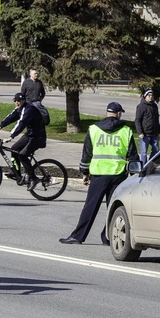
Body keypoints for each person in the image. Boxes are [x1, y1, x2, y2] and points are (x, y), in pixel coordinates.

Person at [60, 102, 138, 245]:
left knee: (90, 206)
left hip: (99, 174)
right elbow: (132, 156)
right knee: (115, 208)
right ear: (119, 113)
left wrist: (85, 172)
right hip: (118, 174)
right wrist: (134, 174)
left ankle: (78, 236)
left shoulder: (94, 129)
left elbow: (87, 154)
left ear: (107, 112)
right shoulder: (126, 130)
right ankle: (108, 237)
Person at [0, 93, 47, 191]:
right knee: (14, 149)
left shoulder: (28, 110)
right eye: (15, 100)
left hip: (38, 137)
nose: (17, 102)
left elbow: (21, 124)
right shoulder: (19, 109)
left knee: (22, 155)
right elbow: (10, 118)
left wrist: (11, 137)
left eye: (19, 101)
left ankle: (33, 178)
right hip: (30, 135)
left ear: (24, 100)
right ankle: (16, 173)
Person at [134, 88, 160, 163]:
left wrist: (158, 131)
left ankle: (150, 165)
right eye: (149, 95)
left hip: (154, 133)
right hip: (145, 134)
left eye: (152, 95)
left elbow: (157, 119)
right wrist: (140, 132)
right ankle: (143, 167)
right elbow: (137, 120)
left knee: (156, 150)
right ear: (145, 96)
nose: (151, 97)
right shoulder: (141, 106)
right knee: (144, 152)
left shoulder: (154, 106)